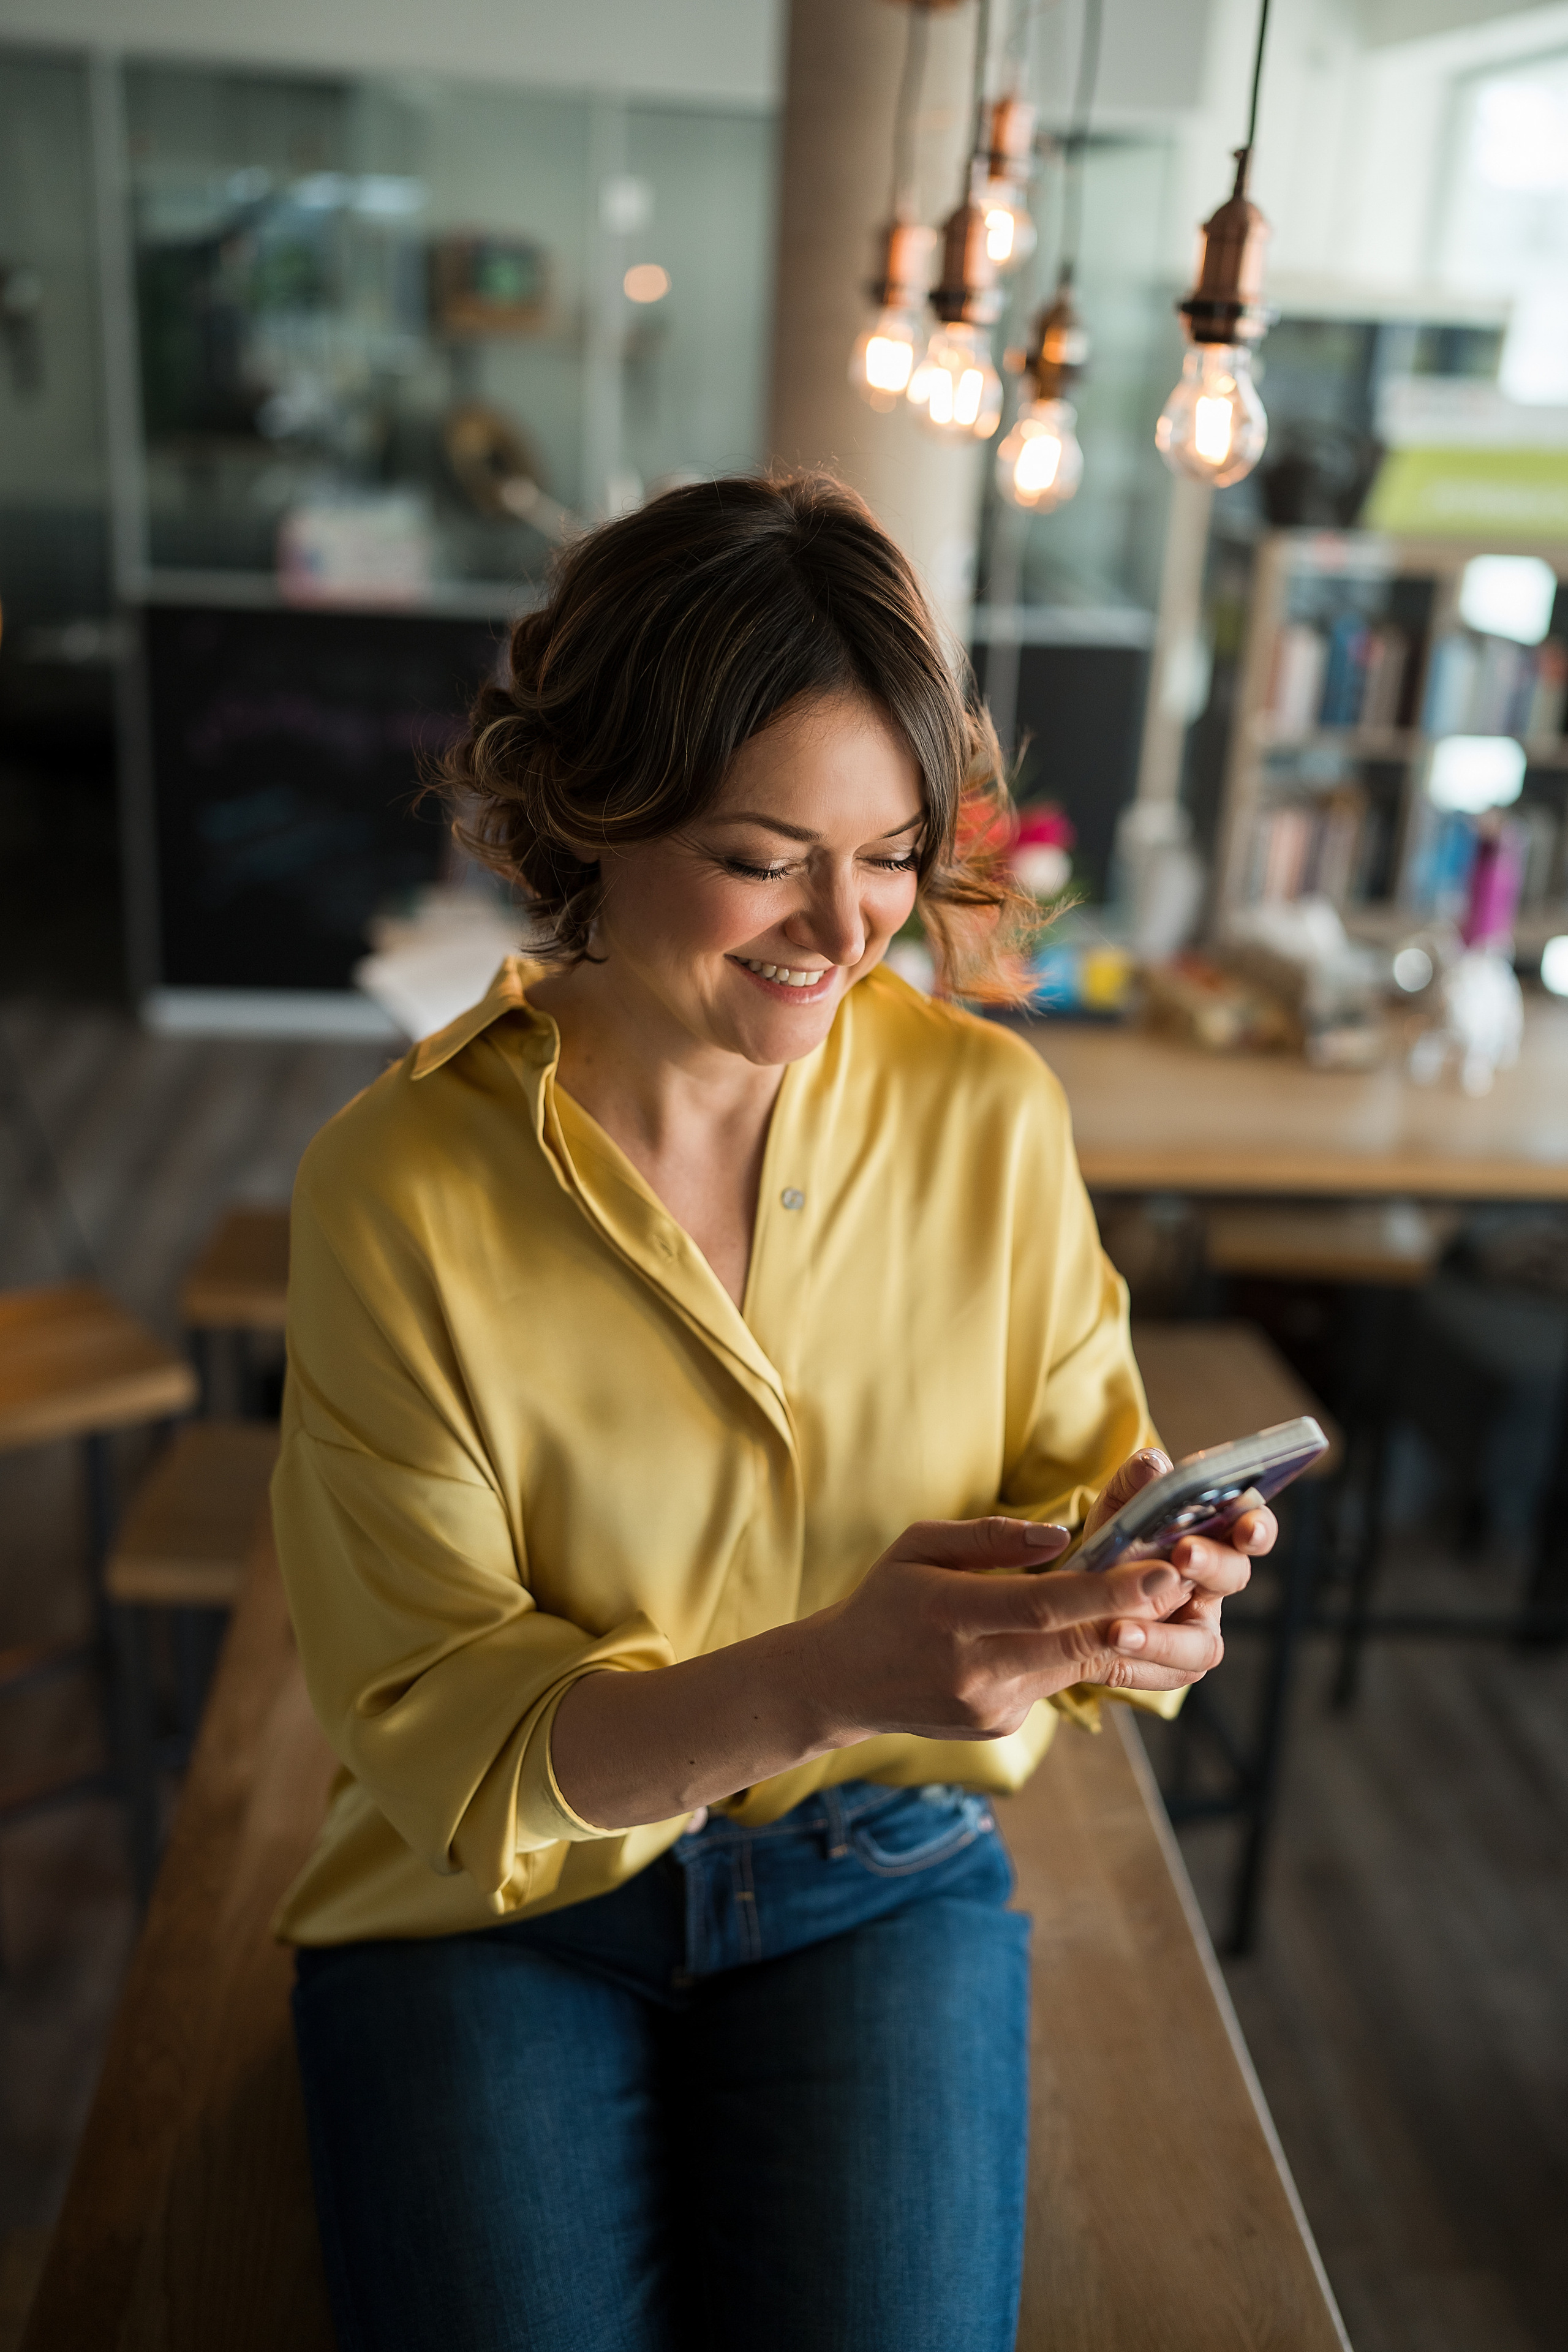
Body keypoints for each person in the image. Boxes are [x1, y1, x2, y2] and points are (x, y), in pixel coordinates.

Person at [273, 472, 1273, 2352]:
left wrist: (1138, 1600)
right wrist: (831, 1671)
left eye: (889, 854)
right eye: (763, 855)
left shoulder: (990, 1118)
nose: (846, 925)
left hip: (878, 1873)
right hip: (489, 1914)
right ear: (595, 807)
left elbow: (1082, 1491)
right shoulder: (396, 1187)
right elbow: (438, 1731)